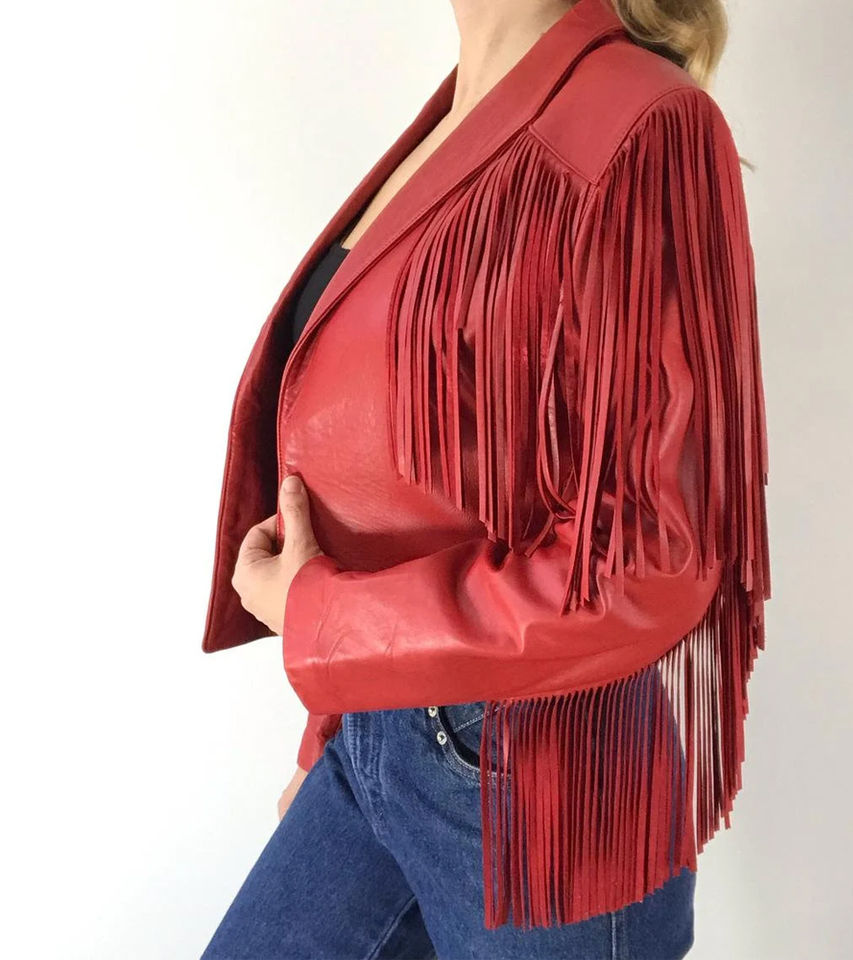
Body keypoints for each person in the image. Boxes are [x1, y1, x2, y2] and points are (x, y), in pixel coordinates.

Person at [199, 1, 770, 957]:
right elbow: (429, 485)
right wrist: (336, 729)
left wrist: (320, 617)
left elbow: (651, 557)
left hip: (546, 787)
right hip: (380, 733)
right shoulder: (458, 113)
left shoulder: (645, 121)